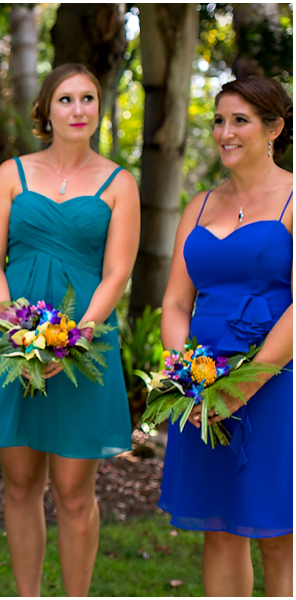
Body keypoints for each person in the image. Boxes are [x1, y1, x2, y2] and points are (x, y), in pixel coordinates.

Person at [0, 64, 140, 596]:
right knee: (19, 484)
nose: (79, 109)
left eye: (88, 99)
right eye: (66, 99)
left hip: (85, 342)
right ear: (45, 111)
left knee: (74, 489)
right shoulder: (11, 174)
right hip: (14, 338)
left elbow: (118, 273)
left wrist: (78, 336)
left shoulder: (119, 182)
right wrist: (14, 326)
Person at [159, 76, 293, 597]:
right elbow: (175, 300)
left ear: (274, 128)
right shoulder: (197, 205)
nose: (225, 132)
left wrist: (245, 385)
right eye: (219, 120)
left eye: (240, 120)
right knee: (219, 528)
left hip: (278, 382)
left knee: (278, 531)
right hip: (202, 383)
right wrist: (186, 376)